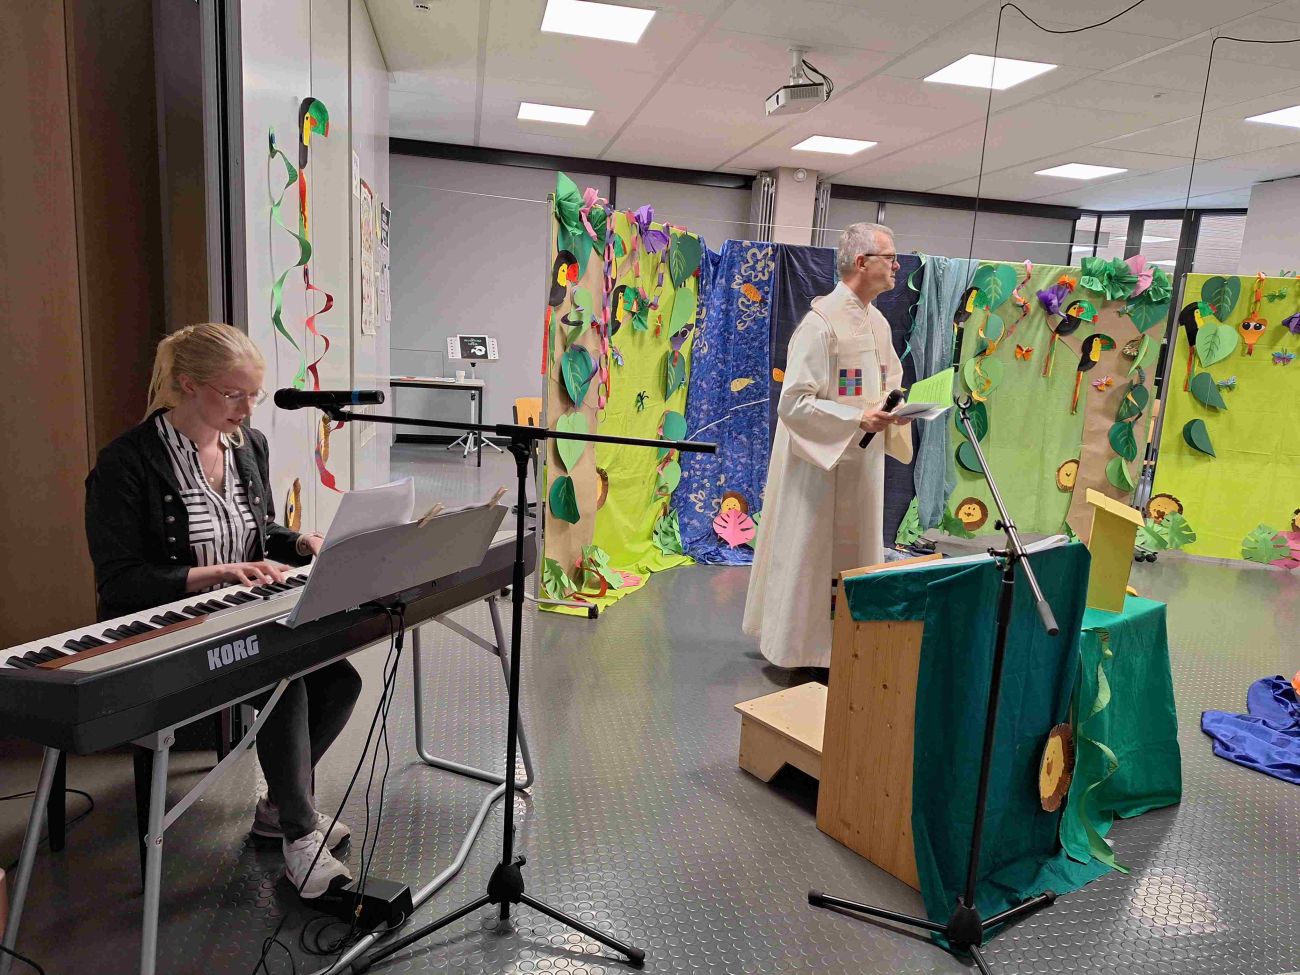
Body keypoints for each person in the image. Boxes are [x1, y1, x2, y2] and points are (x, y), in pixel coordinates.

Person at [84, 322, 360, 899]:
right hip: (168, 632)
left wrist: (298, 541)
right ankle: (299, 836)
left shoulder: (247, 446)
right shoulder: (126, 463)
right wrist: (215, 575)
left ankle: (278, 806)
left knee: (341, 681)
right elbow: (120, 581)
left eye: (254, 394)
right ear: (188, 385)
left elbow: (255, 533)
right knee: (284, 682)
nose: (247, 407)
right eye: (234, 394)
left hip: (240, 617)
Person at [743, 223, 914, 670]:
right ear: (862, 262)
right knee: (811, 557)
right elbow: (793, 403)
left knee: (855, 555)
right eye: (890, 257)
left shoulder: (878, 323)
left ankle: (845, 647)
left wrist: (895, 407)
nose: (897, 266)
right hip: (819, 467)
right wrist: (856, 418)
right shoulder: (819, 326)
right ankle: (799, 650)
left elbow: (889, 380)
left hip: (862, 465)